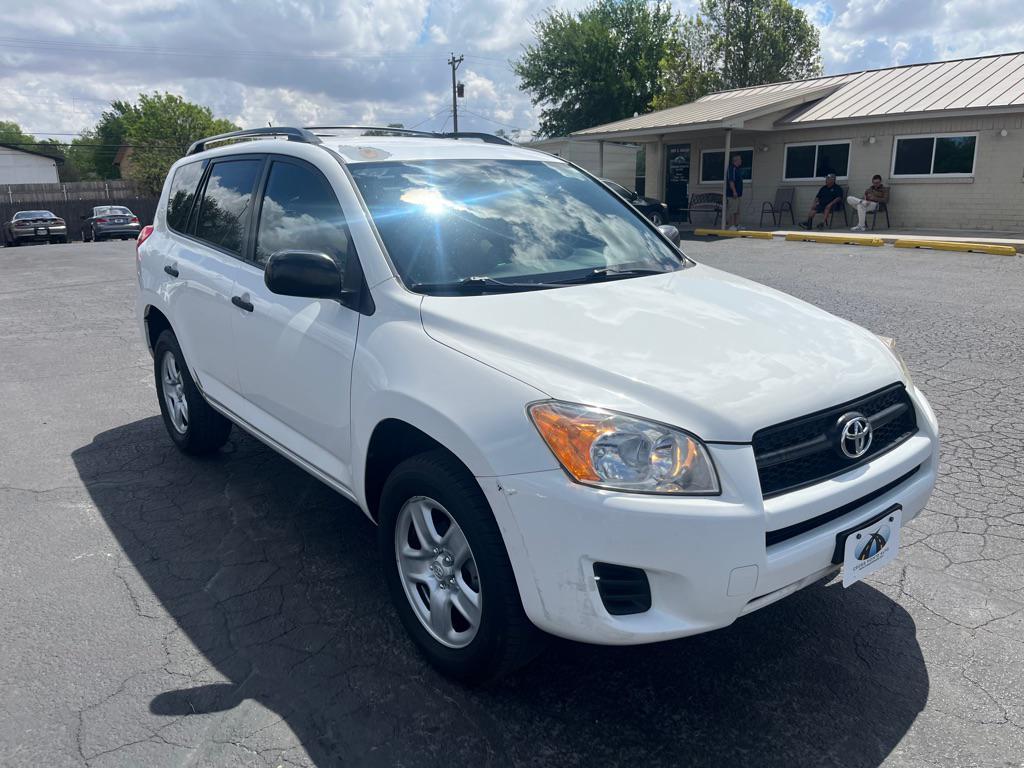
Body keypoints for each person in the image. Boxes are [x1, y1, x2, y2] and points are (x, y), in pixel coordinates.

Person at [726, 154, 743, 230]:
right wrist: (734, 191)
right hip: (733, 194)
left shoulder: (738, 169)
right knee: (732, 210)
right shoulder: (732, 168)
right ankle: (731, 226)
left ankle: (736, 225)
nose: (741, 161)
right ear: (735, 161)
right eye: (740, 159)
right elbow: (731, 181)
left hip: (738, 194)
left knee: (737, 211)